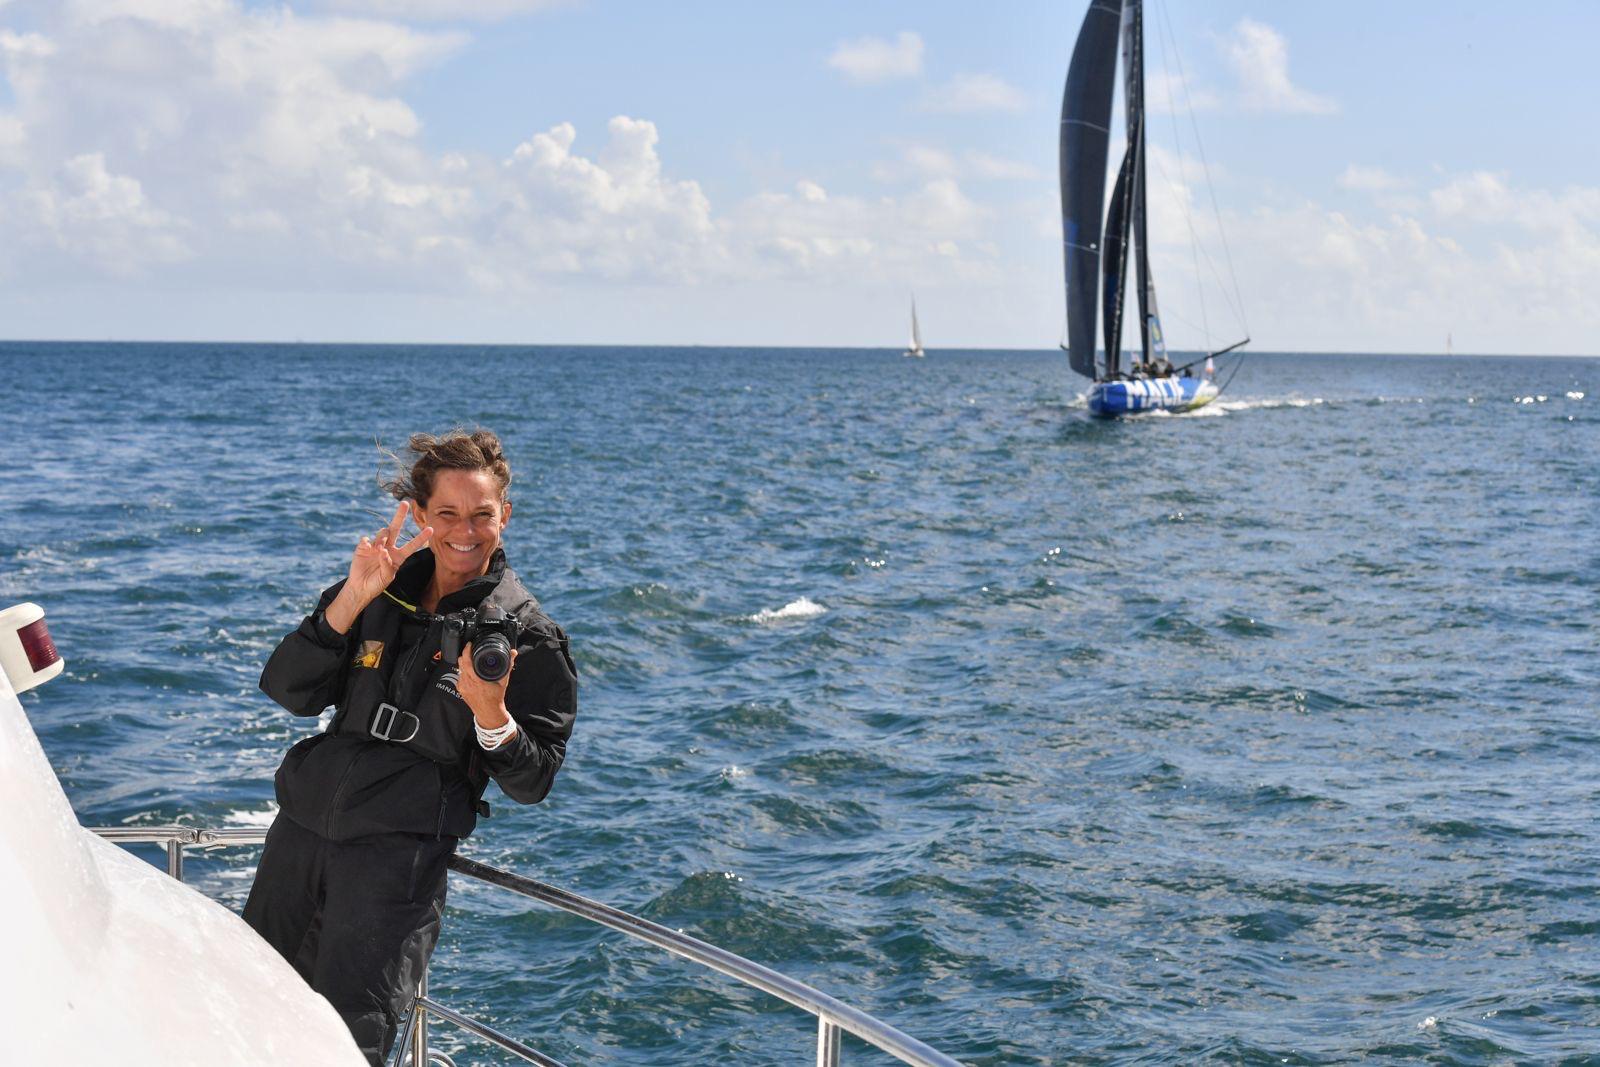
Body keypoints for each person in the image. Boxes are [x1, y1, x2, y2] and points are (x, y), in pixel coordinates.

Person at [243, 429, 578, 1065]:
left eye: (482, 514)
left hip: (394, 863)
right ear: (420, 515)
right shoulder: (377, 591)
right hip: (299, 837)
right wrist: (349, 599)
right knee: (248, 1002)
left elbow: (534, 781)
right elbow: (288, 690)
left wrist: (492, 718)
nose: (465, 531)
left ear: (504, 516)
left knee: (347, 1040)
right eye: (447, 513)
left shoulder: (528, 636)